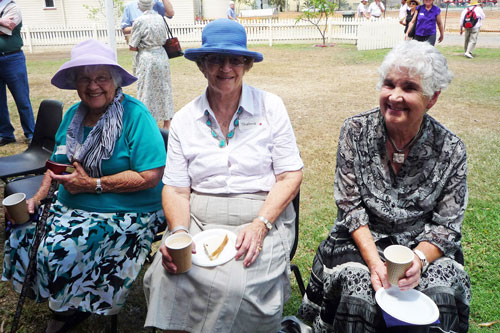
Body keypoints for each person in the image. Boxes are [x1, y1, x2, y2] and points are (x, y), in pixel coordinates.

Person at [298, 40, 470, 332]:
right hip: (360, 236)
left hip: (421, 243)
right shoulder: (355, 131)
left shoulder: (451, 149)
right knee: (359, 285)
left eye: (409, 88)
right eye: (389, 85)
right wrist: (375, 262)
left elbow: (448, 225)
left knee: (438, 290)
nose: (395, 96)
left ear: (432, 97)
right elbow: (349, 206)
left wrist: (418, 260)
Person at [143, 19, 303, 332]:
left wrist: (260, 225)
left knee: (234, 287)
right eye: (215, 59)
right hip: (199, 219)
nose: (225, 68)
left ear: (247, 65)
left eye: (235, 59)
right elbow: (175, 190)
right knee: (166, 276)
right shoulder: (185, 120)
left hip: (260, 216)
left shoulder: (271, 107)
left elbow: (289, 176)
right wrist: (177, 231)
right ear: (202, 65)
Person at [2, 39, 166, 332]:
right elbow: (56, 164)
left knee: (64, 247)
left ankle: (80, 303)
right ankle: (64, 300)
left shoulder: (135, 116)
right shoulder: (73, 115)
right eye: (85, 78)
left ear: (115, 81)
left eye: (101, 77)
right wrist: (37, 198)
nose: (93, 86)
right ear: (75, 84)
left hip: (128, 208)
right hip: (71, 202)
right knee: (23, 234)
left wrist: (93, 184)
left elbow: (150, 176)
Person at [129, 0, 174, 129]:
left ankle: (148, 121)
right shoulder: (160, 18)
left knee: (146, 89)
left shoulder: (139, 21)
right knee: (164, 88)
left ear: (141, 6)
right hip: (162, 55)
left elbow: (132, 45)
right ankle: (167, 122)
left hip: (147, 58)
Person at [0, 0, 35, 146]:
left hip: (12, 58)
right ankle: (6, 134)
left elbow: (5, 30)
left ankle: (31, 133)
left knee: (22, 99)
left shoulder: (13, 8)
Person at [121, 0, 174, 74]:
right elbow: (125, 29)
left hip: (159, 52)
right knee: (141, 77)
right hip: (140, 51)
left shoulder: (156, 3)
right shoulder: (129, 6)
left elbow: (170, 13)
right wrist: (142, 25)